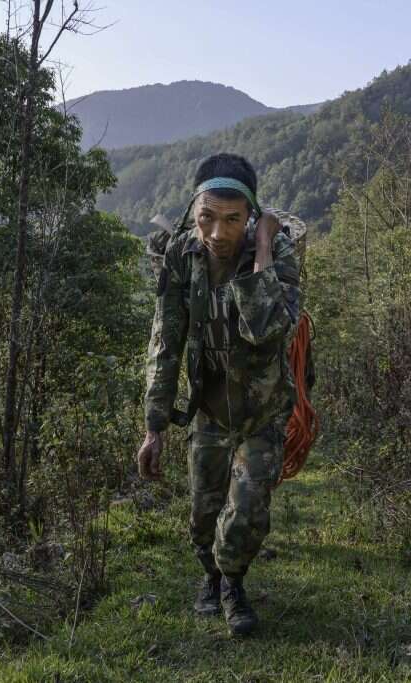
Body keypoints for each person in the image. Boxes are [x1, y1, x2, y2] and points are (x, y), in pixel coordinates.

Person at [135, 152, 301, 636]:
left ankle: (233, 583)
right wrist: (154, 427)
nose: (218, 233)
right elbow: (165, 342)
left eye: (233, 220)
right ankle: (210, 577)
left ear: (251, 215)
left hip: (261, 413)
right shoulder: (181, 256)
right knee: (203, 513)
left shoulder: (277, 254)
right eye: (207, 217)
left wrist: (265, 246)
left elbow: (268, 332)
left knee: (247, 512)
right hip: (208, 412)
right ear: (194, 211)